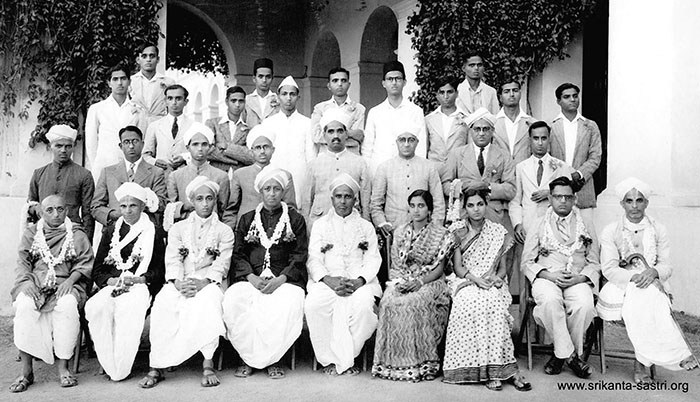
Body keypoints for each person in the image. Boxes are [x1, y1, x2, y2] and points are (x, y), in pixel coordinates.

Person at [596, 178, 699, 382]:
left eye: (639, 200)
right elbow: (609, 269)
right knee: (646, 295)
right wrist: (635, 277)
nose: (634, 206)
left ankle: (643, 364)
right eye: (629, 201)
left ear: (646, 203)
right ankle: (675, 354)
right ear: (622, 204)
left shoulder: (658, 229)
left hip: (652, 282)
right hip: (620, 284)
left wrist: (653, 273)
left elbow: (666, 265)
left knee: (649, 294)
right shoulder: (611, 230)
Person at [141, 176, 235, 389]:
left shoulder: (224, 230)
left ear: (215, 201)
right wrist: (176, 282)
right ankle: (157, 365)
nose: (204, 204)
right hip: (180, 281)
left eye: (209, 198)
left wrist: (204, 283)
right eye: (199, 199)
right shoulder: (178, 228)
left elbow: (222, 263)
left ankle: (207, 363)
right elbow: (172, 259)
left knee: (208, 302)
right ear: (191, 201)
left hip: (209, 282)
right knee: (163, 303)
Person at [223, 167, 308, 379]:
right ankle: (247, 357)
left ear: (283, 192)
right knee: (235, 300)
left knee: (285, 303)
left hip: (284, 280)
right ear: (260, 192)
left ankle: (275, 359)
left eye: (277, 189)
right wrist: (250, 277)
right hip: (251, 278)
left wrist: (281, 279)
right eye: (267, 189)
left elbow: (299, 255)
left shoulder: (295, 220)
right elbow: (238, 254)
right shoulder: (247, 219)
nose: (272, 193)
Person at [443, 189, 531, 391]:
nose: (476, 209)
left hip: (491, 281)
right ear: (464, 208)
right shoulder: (458, 230)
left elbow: (501, 269)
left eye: (480, 204)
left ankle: (499, 369)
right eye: (471, 205)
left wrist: (496, 279)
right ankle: (475, 368)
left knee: (493, 304)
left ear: (486, 205)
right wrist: (475, 279)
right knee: (470, 302)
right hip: (464, 280)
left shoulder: (497, 231)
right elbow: (458, 268)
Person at [10, 195, 93, 392]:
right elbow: (23, 263)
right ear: (41, 212)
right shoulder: (32, 233)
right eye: (50, 210)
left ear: (67, 210)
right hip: (35, 282)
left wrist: (71, 281)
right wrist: (27, 283)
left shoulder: (77, 234)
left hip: (67, 282)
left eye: (61, 209)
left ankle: (63, 368)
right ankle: (26, 370)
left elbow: (85, 263)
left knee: (67, 305)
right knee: (24, 306)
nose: (56, 214)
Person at [372, 190, 455, 382]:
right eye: (413, 206)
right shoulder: (401, 231)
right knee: (389, 301)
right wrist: (401, 283)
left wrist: (418, 282)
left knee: (414, 302)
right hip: (402, 278)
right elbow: (396, 265)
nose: (416, 210)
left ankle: (421, 365)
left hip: (430, 281)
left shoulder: (440, 234)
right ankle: (390, 365)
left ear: (429, 209)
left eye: (421, 206)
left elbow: (439, 269)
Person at [521, 176, 599, 378]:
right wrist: (549, 275)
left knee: (584, 304)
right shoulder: (539, 223)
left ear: (574, 199)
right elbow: (527, 262)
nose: (562, 201)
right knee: (550, 301)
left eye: (567, 197)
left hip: (577, 278)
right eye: (558, 197)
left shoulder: (586, 223)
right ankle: (572, 357)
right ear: (550, 198)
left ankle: (560, 355)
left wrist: (580, 279)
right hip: (547, 277)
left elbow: (595, 262)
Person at [305, 174, 382, 376]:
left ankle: (349, 357)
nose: (342, 201)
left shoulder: (366, 227)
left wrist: (359, 282)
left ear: (355, 200)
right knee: (314, 305)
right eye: (338, 196)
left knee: (364, 308)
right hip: (327, 281)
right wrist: (328, 280)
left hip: (360, 282)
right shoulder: (320, 225)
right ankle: (328, 360)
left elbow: (374, 259)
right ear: (331, 199)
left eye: (347, 196)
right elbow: (313, 258)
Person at [85, 183, 161, 382]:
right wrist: (110, 280)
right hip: (113, 284)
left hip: (140, 284)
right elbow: (98, 268)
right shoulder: (112, 230)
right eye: (124, 206)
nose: (127, 211)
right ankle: (108, 360)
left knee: (128, 307)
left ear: (143, 207)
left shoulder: (154, 231)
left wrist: (140, 279)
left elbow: (159, 270)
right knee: (97, 307)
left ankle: (122, 364)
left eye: (133, 206)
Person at [509, 121, 573, 301]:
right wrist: (517, 224)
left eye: (544, 138)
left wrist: (550, 193)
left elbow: (567, 198)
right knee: (526, 274)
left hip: (552, 230)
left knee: (548, 276)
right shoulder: (521, 167)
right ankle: (525, 325)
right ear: (529, 140)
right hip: (528, 227)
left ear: (549, 140)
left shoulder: (560, 166)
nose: (540, 143)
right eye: (536, 138)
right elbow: (516, 200)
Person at [441, 107, 515, 228]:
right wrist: (462, 187)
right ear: (470, 131)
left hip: (494, 216)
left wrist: (488, 187)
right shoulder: (457, 154)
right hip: (464, 214)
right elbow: (445, 185)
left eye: (485, 129)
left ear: (492, 131)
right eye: (477, 129)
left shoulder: (503, 155)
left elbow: (511, 189)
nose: (481, 133)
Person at [371, 124, 445, 238]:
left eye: (411, 140)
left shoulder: (428, 167)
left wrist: (434, 229)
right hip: (393, 230)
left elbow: (438, 201)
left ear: (417, 142)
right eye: (402, 140)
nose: (406, 144)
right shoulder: (385, 167)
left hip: (423, 232)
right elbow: (376, 204)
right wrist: (382, 224)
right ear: (396, 142)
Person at [302, 109, 371, 226]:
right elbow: (307, 200)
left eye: (340, 131)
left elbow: (365, 197)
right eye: (331, 132)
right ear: (324, 135)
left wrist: (365, 222)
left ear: (346, 134)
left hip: (351, 224)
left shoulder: (359, 163)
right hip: (319, 222)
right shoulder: (314, 165)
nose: (335, 136)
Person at [27, 124, 95, 241]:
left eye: (68, 146)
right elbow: (30, 204)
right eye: (59, 146)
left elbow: (88, 213)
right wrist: (37, 209)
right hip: (44, 234)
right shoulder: (39, 173)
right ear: (50, 146)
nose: (63, 150)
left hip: (72, 234)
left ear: (73, 147)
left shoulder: (84, 175)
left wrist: (86, 241)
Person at [92, 125, 167, 229]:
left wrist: (139, 208)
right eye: (126, 142)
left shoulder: (156, 172)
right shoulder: (107, 172)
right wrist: (114, 214)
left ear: (142, 144)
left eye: (135, 141)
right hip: (115, 229)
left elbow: (162, 203)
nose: (131, 146)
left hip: (146, 230)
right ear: (120, 146)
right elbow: (96, 207)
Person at [164, 122, 235, 230]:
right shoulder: (175, 176)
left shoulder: (221, 176)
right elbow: (170, 210)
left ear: (210, 147)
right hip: (184, 230)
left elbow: (224, 210)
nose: (200, 148)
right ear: (188, 147)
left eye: (204, 144)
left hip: (212, 230)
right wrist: (185, 207)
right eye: (195, 144)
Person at [363, 61, 427, 175]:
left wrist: (417, 172)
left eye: (398, 79)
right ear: (383, 83)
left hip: (407, 171)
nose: (394, 83)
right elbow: (367, 147)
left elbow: (421, 146)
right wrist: (369, 173)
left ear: (404, 82)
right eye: (390, 79)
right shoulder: (375, 112)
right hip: (378, 170)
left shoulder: (415, 111)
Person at [549, 83, 602, 220]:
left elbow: (595, 157)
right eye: (567, 97)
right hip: (558, 189)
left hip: (583, 188)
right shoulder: (551, 126)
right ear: (558, 101)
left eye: (575, 96)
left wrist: (579, 174)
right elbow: (548, 158)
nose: (572, 99)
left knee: (586, 233)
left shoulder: (590, 126)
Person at [85, 64, 146, 181]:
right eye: (115, 79)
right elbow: (91, 143)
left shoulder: (138, 110)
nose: (119, 83)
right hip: (104, 164)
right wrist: (96, 165)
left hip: (129, 166)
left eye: (123, 79)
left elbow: (142, 140)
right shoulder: (97, 108)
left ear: (129, 81)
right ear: (109, 83)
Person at [230, 125, 297, 228]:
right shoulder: (240, 174)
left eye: (266, 147)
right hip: (246, 227)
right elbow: (232, 209)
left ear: (273, 149)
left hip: (275, 228)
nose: (262, 151)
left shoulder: (284, 175)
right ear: (251, 151)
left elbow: (290, 208)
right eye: (258, 147)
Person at [264, 75, 315, 205]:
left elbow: (311, 156)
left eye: (292, 94)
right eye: (284, 94)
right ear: (278, 96)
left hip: (300, 175)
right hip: (275, 173)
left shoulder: (307, 123)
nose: (288, 98)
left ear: (298, 97)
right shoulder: (268, 123)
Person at [309, 67, 366, 154]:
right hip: (326, 157)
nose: (340, 84)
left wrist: (329, 134)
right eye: (335, 81)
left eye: (343, 80)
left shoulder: (359, 109)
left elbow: (358, 138)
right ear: (329, 86)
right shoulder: (320, 108)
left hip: (350, 157)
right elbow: (316, 136)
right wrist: (348, 133)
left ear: (349, 84)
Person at [142, 84, 193, 174]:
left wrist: (185, 157)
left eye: (178, 98)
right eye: (170, 98)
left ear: (186, 102)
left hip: (186, 174)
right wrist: (155, 162)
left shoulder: (193, 125)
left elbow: (201, 152)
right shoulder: (155, 126)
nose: (174, 102)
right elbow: (145, 155)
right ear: (165, 101)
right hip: (161, 176)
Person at [206, 85, 254, 177]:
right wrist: (237, 157)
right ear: (226, 102)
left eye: (241, 101)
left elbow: (252, 156)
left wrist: (226, 147)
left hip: (240, 177)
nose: (237, 105)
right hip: (216, 175)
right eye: (233, 101)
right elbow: (208, 151)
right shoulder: (213, 123)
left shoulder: (249, 129)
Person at [425, 76, 468, 166]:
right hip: (434, 170)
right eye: (441, 92)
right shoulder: (428, 120)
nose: (446, 96)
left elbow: (470, 149)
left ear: (456, 93)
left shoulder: (466, 119)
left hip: (459, 169)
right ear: (436, 95)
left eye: (449, 92)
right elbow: (425, 149)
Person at [129, 43, 175, 126]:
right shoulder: (131, 82)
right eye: (144, 56)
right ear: (138, 60)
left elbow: (173, 107)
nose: (148, 60)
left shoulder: (168, 82)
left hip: (160, 126)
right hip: (136, 126)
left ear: (158, 59)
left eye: (152, 56)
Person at [493, 80, 536, 165]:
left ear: (520, 94)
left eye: (515, 90)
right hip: (499, 173)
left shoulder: (532, 123)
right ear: (500, 97)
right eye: (506, 91)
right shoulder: (492, 123)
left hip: (525, 173)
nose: (512, 94)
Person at [245, 58, 279, 127]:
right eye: (260, 76)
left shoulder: (278, 101)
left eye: (268, 77)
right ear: (254, 79)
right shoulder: (246, 101)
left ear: (272, 78)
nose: (264, 80)